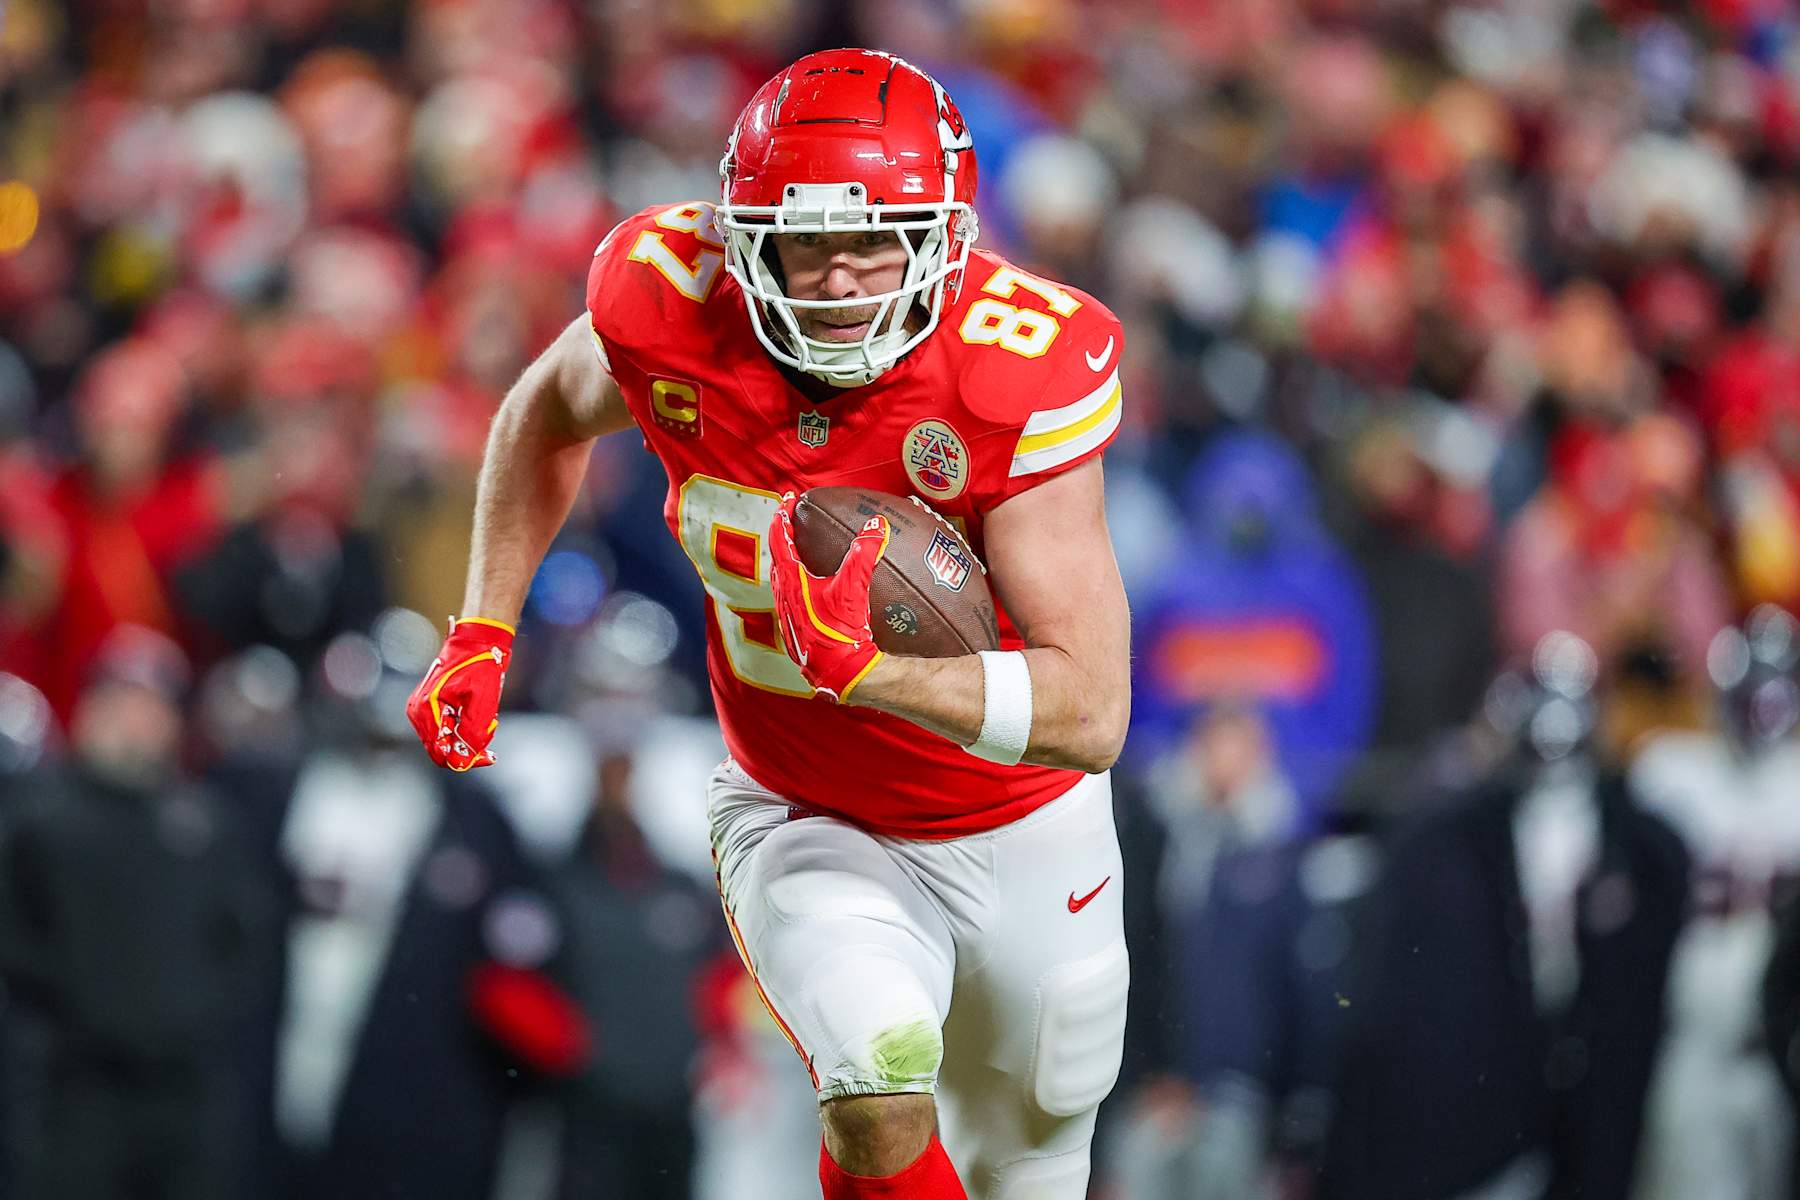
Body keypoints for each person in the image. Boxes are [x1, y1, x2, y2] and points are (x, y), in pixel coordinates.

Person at [405, 47, 1133, 1199]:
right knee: (875, 1078)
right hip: (805, 806)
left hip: (1023, 824)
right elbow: (546, 407)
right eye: (806, 243)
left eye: (871, 241)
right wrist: (484, 627)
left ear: (942, 237)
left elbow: (1092, 711)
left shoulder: (1010, 373)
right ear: (748, 237)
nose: (839, 279)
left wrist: (872, 671)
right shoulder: (674, 301)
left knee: (1032, 1160)